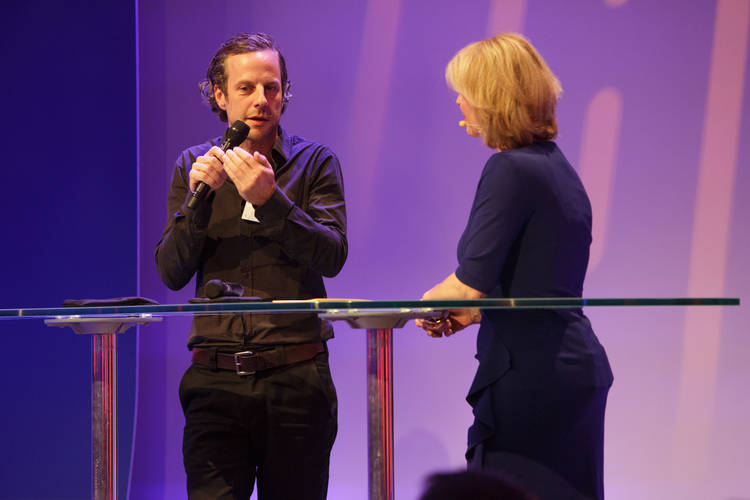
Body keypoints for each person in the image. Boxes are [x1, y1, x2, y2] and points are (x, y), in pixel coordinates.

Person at [416, 34, 613, 500]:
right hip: (568, 369)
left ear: (492, 99)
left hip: (532, 377)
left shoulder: (509, 169)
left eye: (465, 91)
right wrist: (478, 313)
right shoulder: (557, 167)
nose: (459, 101)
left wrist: (423, 305)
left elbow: (469, 283)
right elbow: (539, 279)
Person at [155, 33, 347, 500]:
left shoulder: (315, 162)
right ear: (219, 95)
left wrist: (270, 200)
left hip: (296, 377)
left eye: (272, 87)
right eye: (246, 88)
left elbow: (332, 256)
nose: (262, 99)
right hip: (214, 380)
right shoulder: (193, 166)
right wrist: (198, 205)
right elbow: (171, 272)